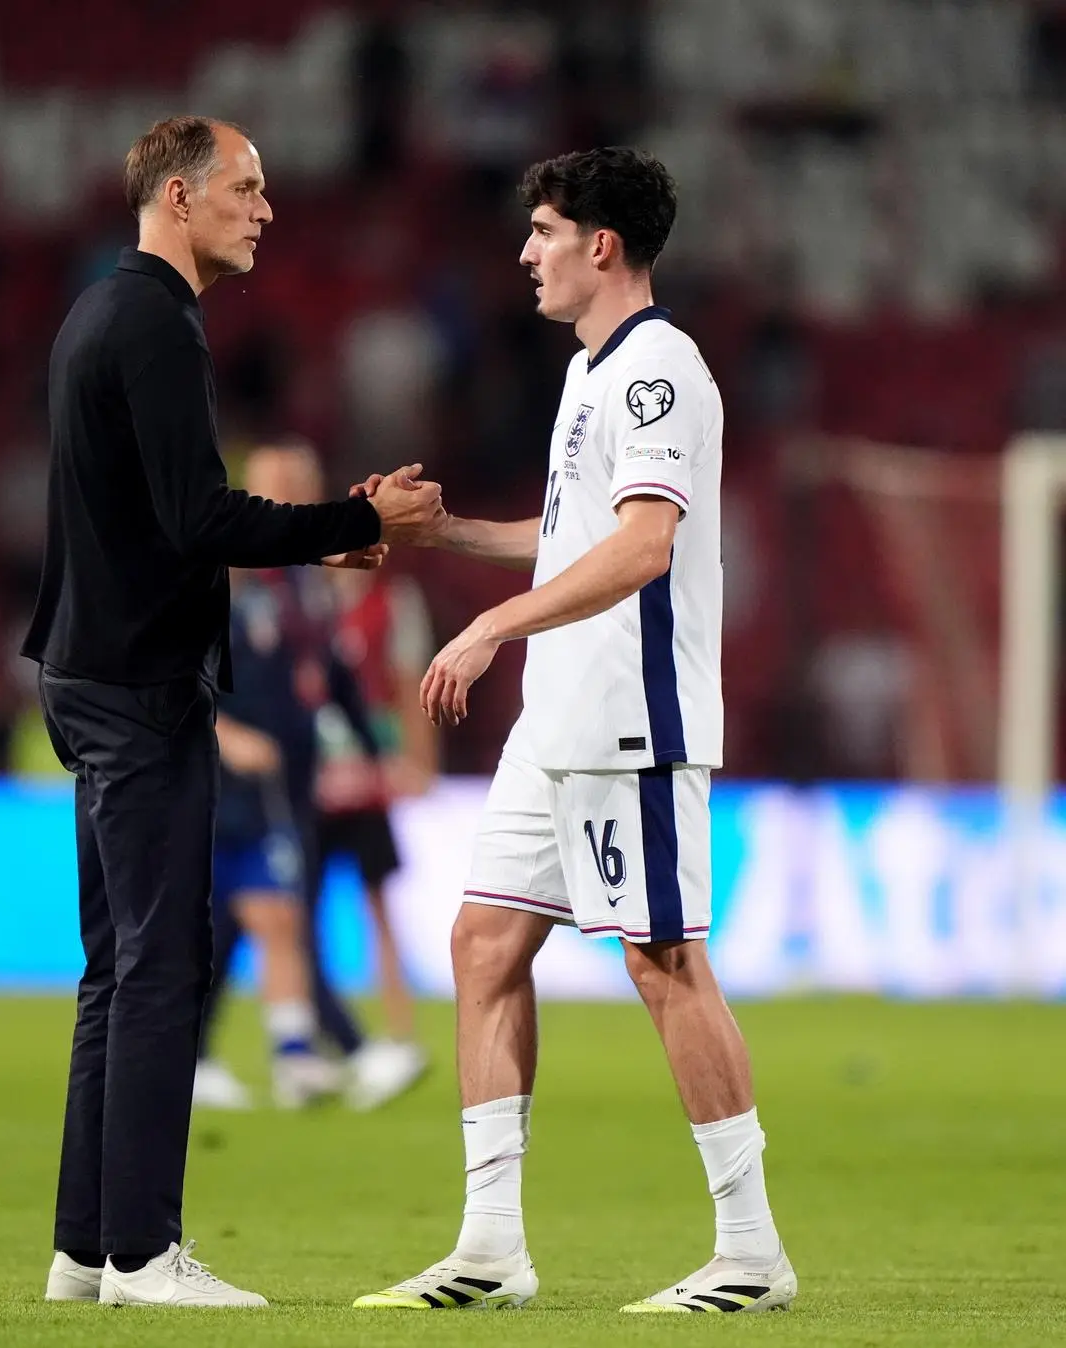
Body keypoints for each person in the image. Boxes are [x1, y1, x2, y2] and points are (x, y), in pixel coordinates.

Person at [353, 147, 797, 1314]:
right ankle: (489, 1246)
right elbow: (571, 539)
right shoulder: (586, 372)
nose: (525, 253)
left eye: (544, 231)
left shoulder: (658, 371)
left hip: (626, 719)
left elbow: (643, 545)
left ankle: (750, 1251)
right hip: (552, 722)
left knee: (662, 960)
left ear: (600, 245)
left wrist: (489, 624)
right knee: (482, 944)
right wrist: (446, 536)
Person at [22, 115, 442, 1310]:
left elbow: (159, 519)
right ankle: (143, 1254)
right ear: (176, 197)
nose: (264, 209)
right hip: (140, 689)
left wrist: (323, 540)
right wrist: (357, 519)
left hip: (87, 670)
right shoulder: (155, 321)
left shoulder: (99, 312)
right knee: (163, 966)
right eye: (244, 187)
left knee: (116, 969)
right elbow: (196, 517)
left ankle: (84, 1249)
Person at [196, 441, 427, 1112]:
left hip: (292, 780)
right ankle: (314, 1050)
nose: (293, 493)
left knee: (258, 914)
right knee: (264, 911)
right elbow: (182, 673)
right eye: (279, 483)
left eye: (301, 481)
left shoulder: (307, 581)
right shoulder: (225, 573)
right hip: (230, 778)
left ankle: (252, 1054)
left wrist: (372, 750)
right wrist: (224, 735)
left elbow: (335, 677)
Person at [315, 563, 437, 1071]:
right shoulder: (302, 595)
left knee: (379, 907)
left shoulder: (393, 600)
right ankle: (310, 1036)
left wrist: (419, 761)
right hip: (313, 780)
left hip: (367, 779)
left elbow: (408, 681)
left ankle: (399, 1031)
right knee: (298, 913)